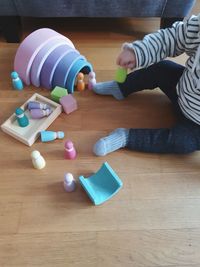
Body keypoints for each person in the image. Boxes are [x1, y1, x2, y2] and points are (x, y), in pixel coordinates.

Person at [92, 14, 200, 156]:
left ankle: (126, 137)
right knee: (162, 68)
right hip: (183, 88)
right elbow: (173, 38)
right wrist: (138, 52)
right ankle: (121, 87)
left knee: (181, 142)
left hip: (195, 125)